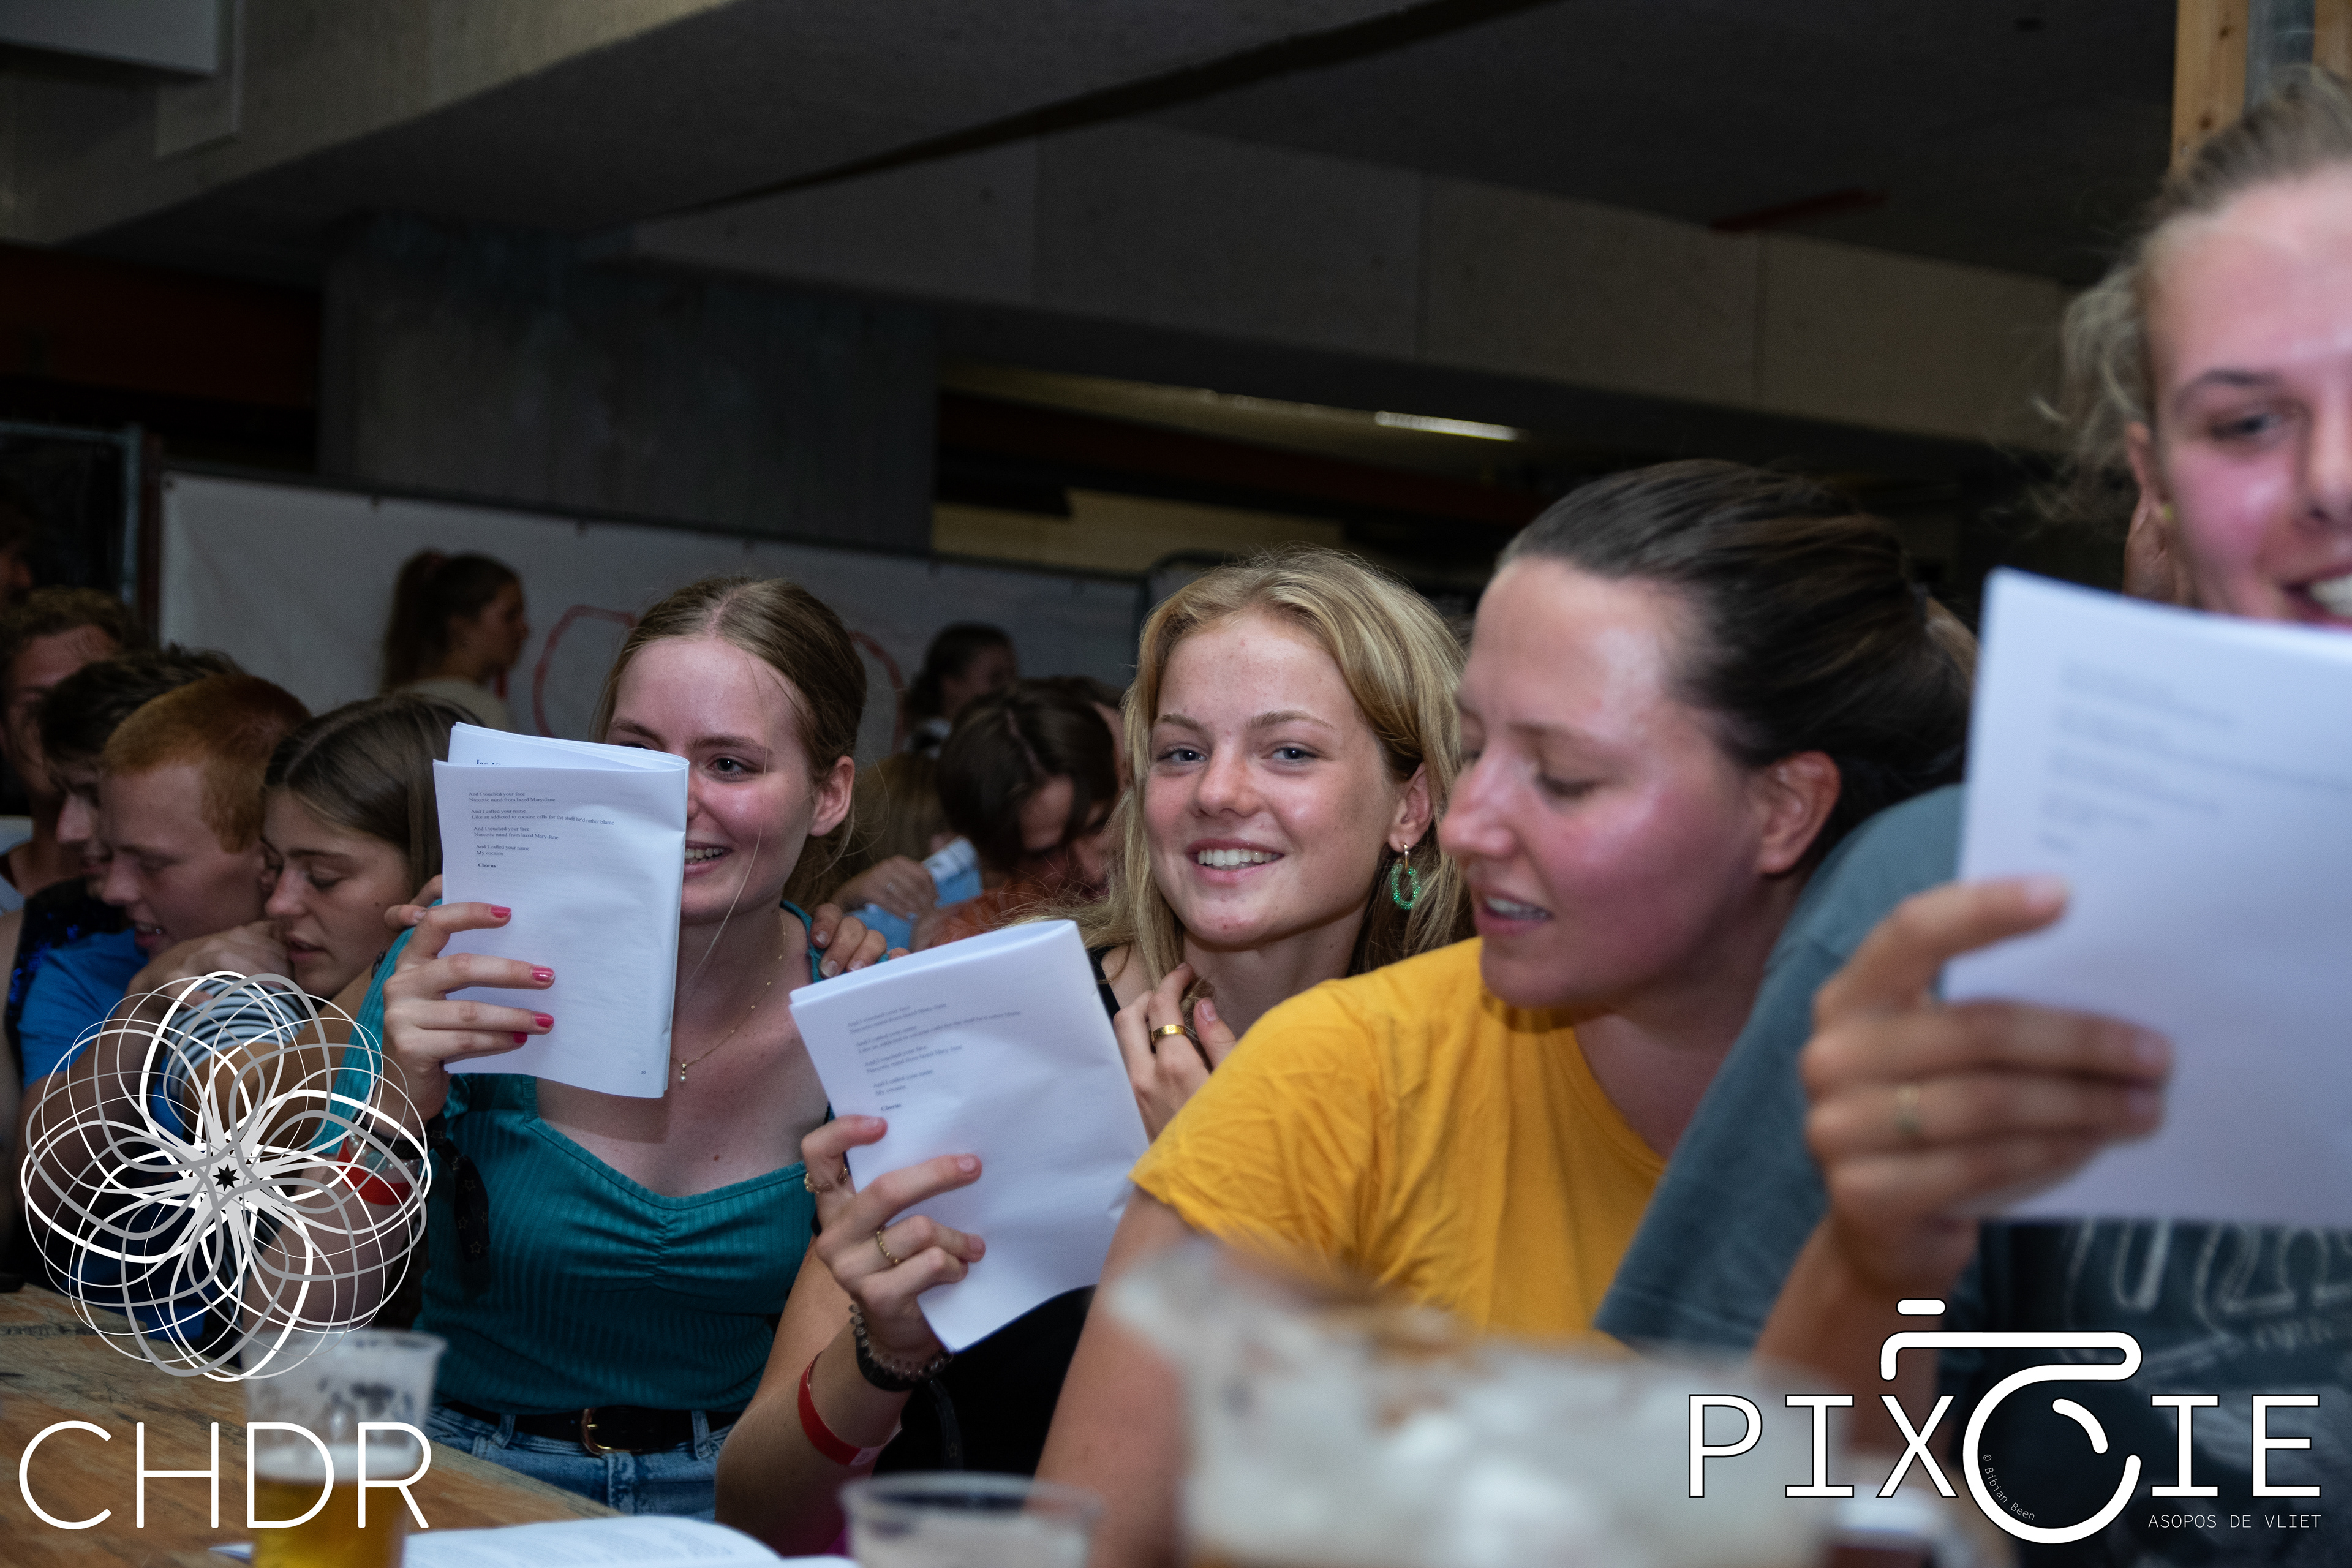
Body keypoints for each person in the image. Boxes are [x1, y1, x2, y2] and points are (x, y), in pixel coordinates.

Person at [1600, 73, 2352, 1564]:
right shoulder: (1961, 903)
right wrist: (1871, 1261)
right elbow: (1703, 1508)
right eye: (2249, 420)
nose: (2332, 478)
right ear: (2152, 482)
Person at [1034, 462, 1977, 1568]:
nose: (1471, 823)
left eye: (1563, 776)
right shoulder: (1330, 1081)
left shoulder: (1969, 1129)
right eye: (1477, 750)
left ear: (1784, 809)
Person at [715, 547, 1476, 1555]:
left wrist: (1234, 1199)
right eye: (1182, 753)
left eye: (1289, 752)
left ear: (1411, 806)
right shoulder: (985, 1024)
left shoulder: (1462, 1084)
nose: (1217, 792)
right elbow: (753, 1512)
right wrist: (883, 1354)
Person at [376, 575, 892, 1517]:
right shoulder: (469, 967)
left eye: (729, 764)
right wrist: (393, 1106)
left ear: (829, 795)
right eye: (637, 753)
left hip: (740, 1495)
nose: (673, 801)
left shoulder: (866, 1010)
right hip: (463, 1478)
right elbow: (280, 1318)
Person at [18, 693, 469, 1327]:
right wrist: (397, 963)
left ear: (439, 870)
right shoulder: (248, 974)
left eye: (322, 876)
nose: (280, 902)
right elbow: (236, 1106)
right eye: (275, 866)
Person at [0, 647, 233, 1272]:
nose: (71, 829)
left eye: (94, 794)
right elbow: (34, 1195)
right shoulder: (59, 953)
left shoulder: (320, 953)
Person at [15, 672, 308, 1096]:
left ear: (268, 857)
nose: (113, 892)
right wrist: (140, 1005)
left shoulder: (338, 963)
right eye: (110, 853)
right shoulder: (84, 974)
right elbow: (46, 1144)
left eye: (151, 864)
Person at [915, 680, 1120, 948]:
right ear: (994, 860)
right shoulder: (974, 946)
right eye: (1047, 854)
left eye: (1099, 825)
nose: (1093, 872)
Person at [0, 588, 145, 913]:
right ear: (4, 735)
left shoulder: (169, 898)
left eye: (87, 701)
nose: (61, 725)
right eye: (37, 707)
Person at [380, 550, 529, 731]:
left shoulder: (391, 704)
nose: (524, 630)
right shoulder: (484, 711)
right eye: (510, 616)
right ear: (462, 625)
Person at [899, 622, 1014, 756]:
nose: (1011, 689)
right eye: (996, 678)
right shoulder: (935, 757)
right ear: (951, 683)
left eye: (1013, 678)